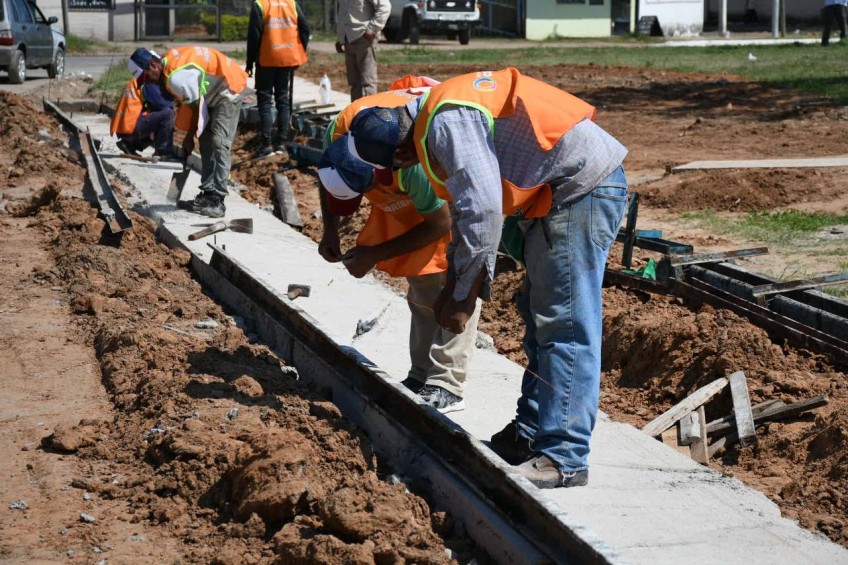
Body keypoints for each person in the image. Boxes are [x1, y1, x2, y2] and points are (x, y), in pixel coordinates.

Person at [337, 68, 628, 489]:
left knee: (565, 325)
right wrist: (458, 281)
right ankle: (529, 434)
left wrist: (462, 297)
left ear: (399, 155)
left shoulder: (446, 123)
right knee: (541, 320)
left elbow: (485, 211)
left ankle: (564, 456)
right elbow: (465, 214)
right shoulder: (432, 116)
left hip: (579, 188)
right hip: (559, 189)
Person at [317, 80, 481, 413]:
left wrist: (373, 254)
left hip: (461, 180)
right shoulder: (337, 135)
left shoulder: (412, 162)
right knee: (422, 285)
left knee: (455, 276)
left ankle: (447, 382)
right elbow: (328, 181)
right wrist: (330, 230)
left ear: (377, 171)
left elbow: (441, 222)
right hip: (402, 178)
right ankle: (422, 374)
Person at [129, 47, 248, 219]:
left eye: (147, 77)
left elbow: (196, 108)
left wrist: (188, 137)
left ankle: (218, 201)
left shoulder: (175, 77)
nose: (149, 82)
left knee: (219, 142)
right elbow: (195, 105)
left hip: (229, 88)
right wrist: (193, 136)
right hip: (211, 92)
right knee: (206, 140)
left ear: (154, 65)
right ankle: (207, 195)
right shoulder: (168, 66)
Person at [245, 0, 310, 159]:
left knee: (265, 101)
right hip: (286, 58)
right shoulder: (291, 3)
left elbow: (254, 35)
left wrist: (250, 62)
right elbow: (305, 29)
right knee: (283, 99)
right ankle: (281, 142)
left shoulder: (260, 4)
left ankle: (266, 144)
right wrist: (298, 53)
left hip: (266, 59)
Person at [110, 58, 175, 160]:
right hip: (131, 127)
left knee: (158, 117)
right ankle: (163, 152)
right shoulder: (148, 81)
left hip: (125, 127)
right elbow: (163, 105)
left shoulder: (138, 79)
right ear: (153, 66)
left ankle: (129, 144)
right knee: (168, 114)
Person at [334, 0, 390, 101]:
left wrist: (372, 28)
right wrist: (340, 37)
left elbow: (385, 7)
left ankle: (369, 114)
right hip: (348, 40)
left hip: (364, 39)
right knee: (354, 83)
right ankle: (357, 114)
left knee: (368, 82)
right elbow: (343, 13)